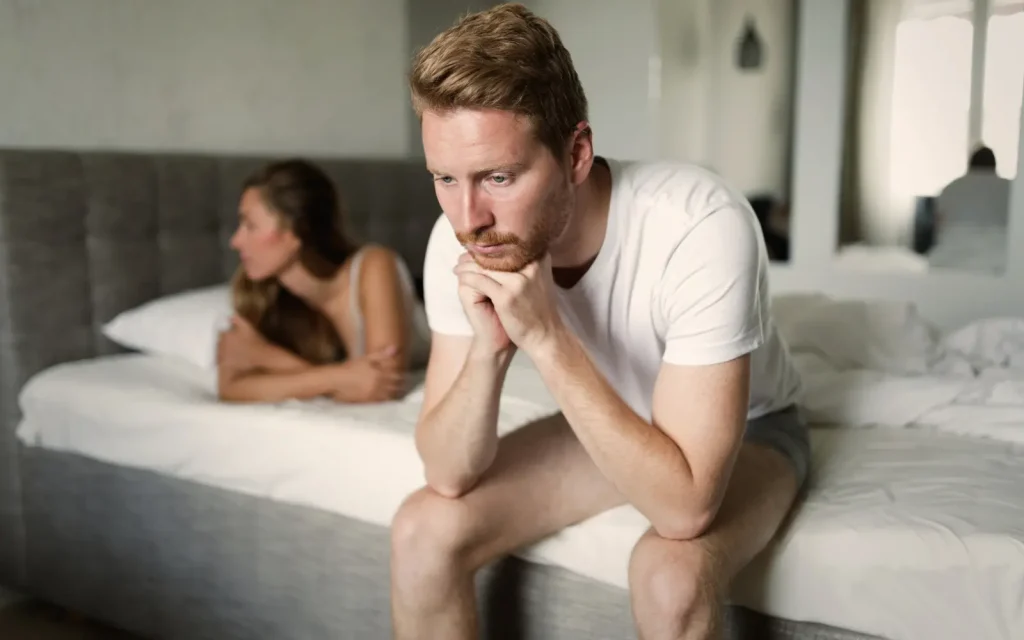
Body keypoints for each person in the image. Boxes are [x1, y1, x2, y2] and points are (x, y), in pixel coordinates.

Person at [389, 4, 807, 639]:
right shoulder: (461, 237)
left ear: (576, 153)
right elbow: (447, 472)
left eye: (499, 176)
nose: (468, 216)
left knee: (668, 575)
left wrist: (546, 335)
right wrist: (488, 352)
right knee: (423, 530)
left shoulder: (699, 223)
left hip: (753, 429)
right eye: (445, 178)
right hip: (615, 412)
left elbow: (684, 509)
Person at [218, 158, 429, 404]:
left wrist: (269, 357)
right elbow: (230, 387)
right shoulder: (258, 294)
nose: (235, 241)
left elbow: (382, 386)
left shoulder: (374, 266)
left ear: (295, 233)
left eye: (250, 225)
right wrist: (339, 378)